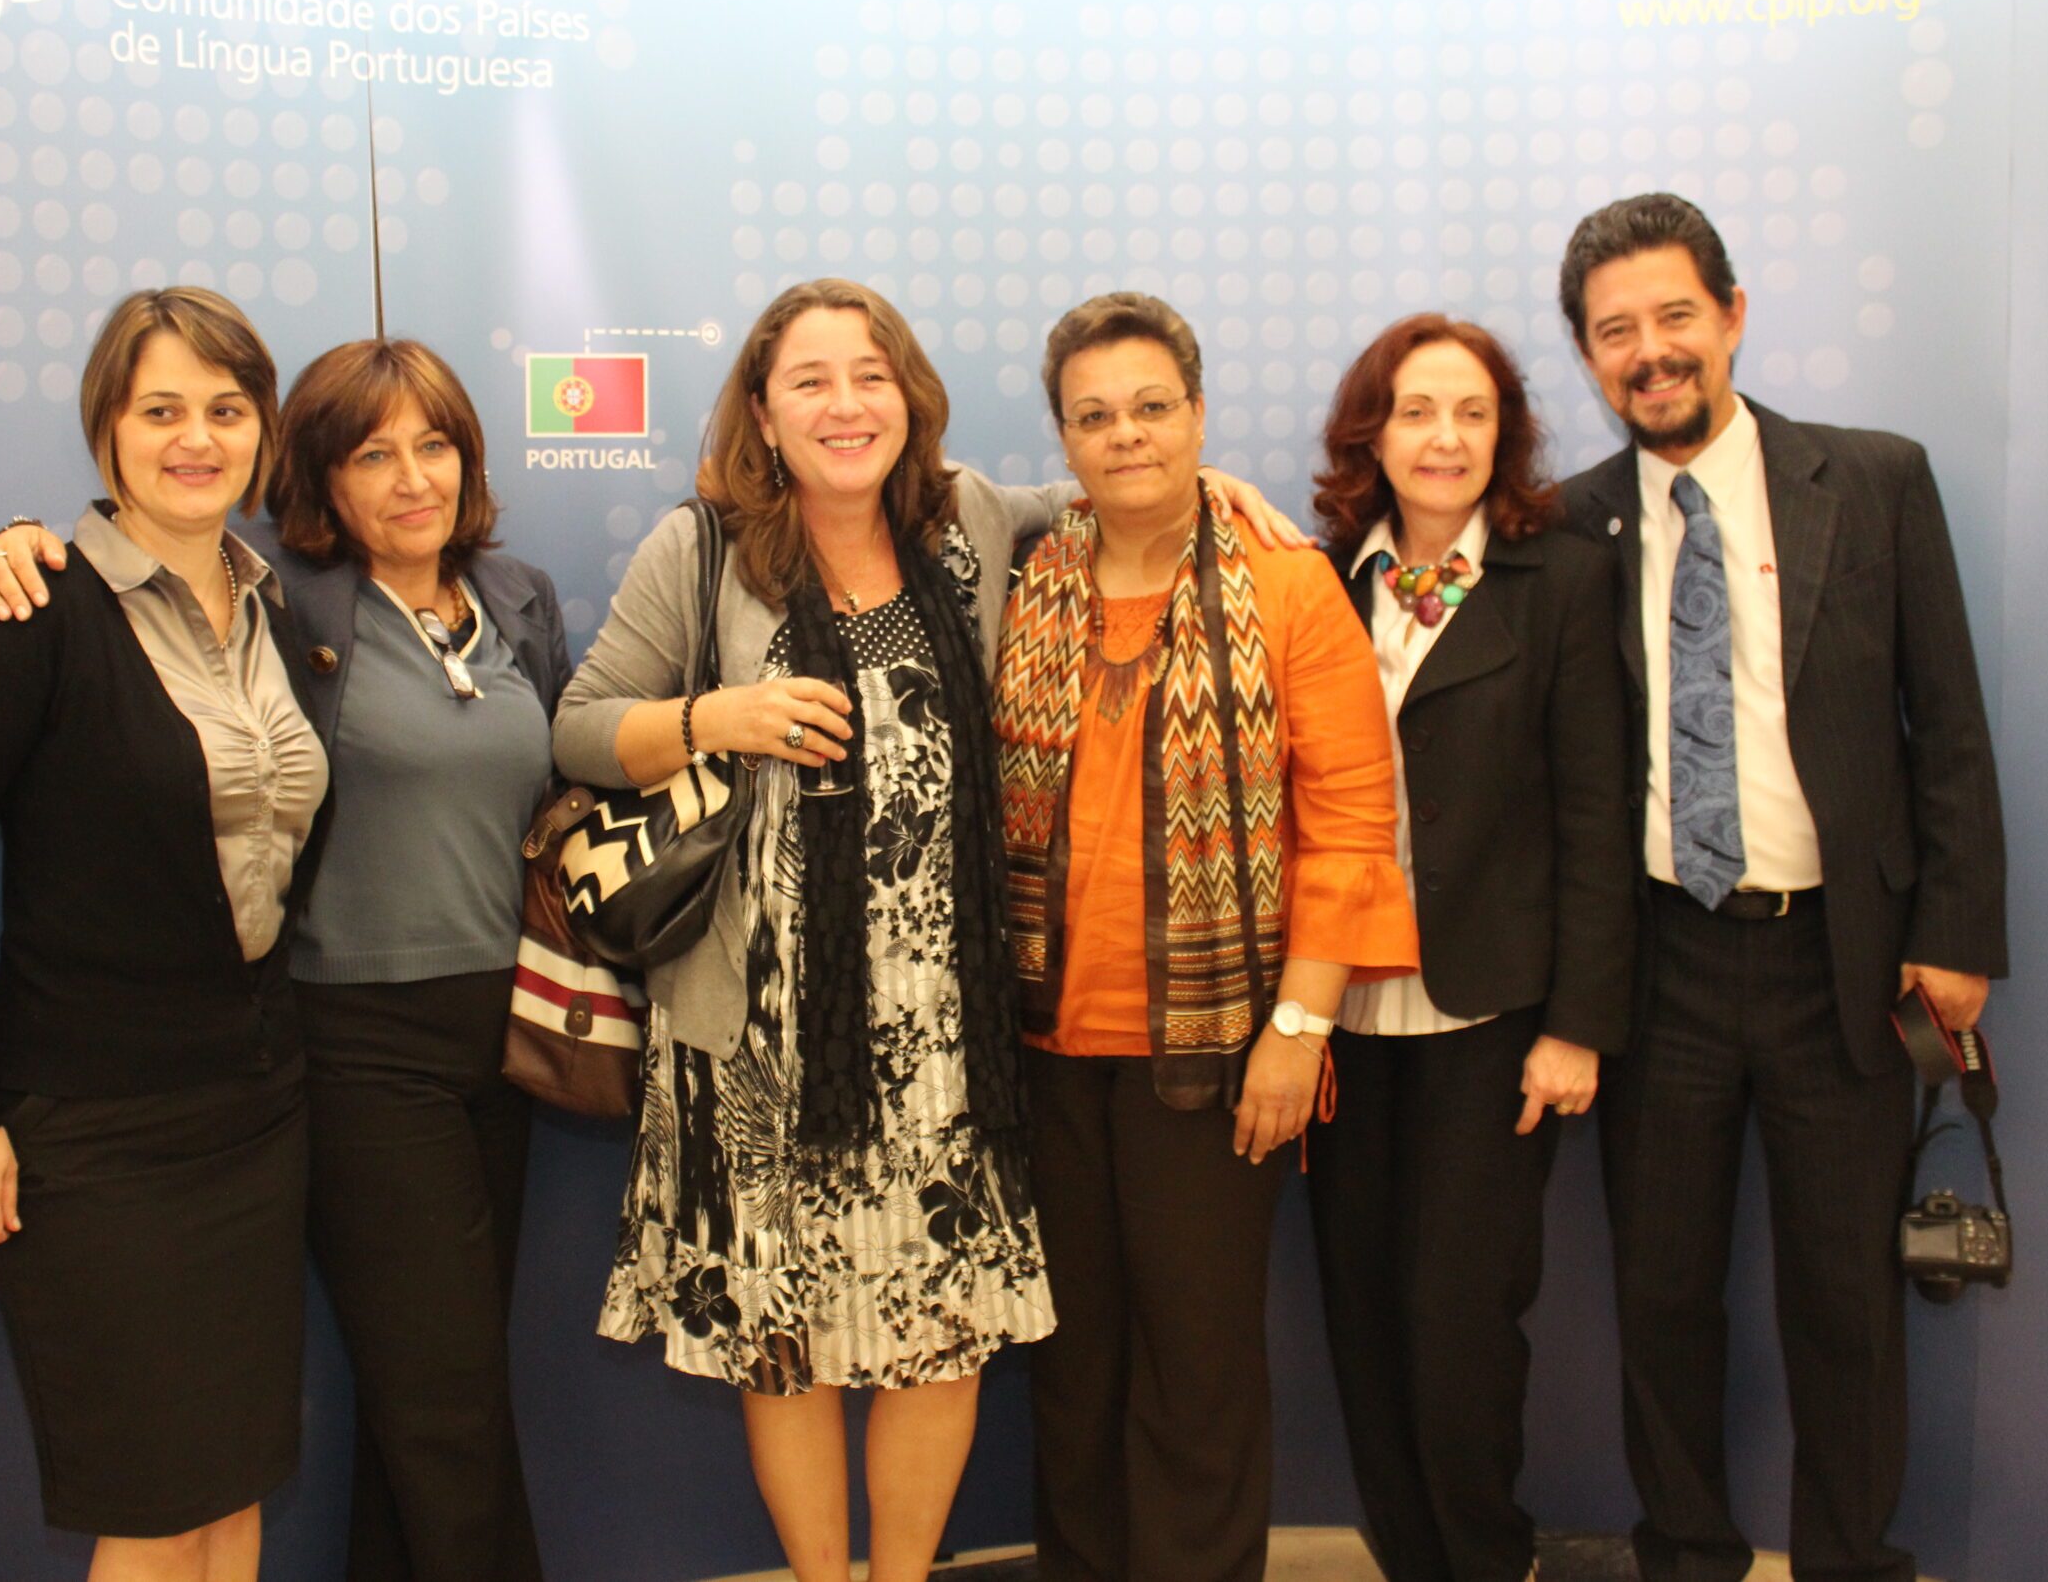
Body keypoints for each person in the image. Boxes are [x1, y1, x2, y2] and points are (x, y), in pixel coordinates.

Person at [552, 277, 1296, 1582]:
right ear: (762, 413)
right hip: (756, 1042)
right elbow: (577, 726)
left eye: (871, 375)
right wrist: (711, 718)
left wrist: (1211, 481)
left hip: (949, 1038)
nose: (845, 404)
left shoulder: (969, 527)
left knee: (940, 1335)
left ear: (909, 397)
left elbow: (1111, 489)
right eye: (810, 381)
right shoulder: (703, 548)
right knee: (780, 1345)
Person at [0, 339, 567, 1582]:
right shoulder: (283, 594)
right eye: (372, 455)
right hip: (352, 1039)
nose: (412, 478)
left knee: (428, 1387)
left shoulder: (516, 598)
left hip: (505, 1035)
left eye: (435, 445)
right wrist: (21, 540)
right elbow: (141, 570)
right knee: (444, 1397)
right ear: (319, 478)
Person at [1556, 193, 2007, 1582]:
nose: (1650, 351)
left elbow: (1948, 722)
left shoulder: (1871, 480)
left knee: (1847, 1299)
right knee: (1662, 1294)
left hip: (1844, 960)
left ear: (1733, 315)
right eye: (1615, 331)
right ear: (1588, 356)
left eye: (1674, 315)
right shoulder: (1569, 526)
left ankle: (1850, 1559)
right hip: (1660, 963)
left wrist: (1953, 934)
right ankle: (1685, 1554)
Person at [0, 287, 328, 1582]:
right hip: (92, 1130)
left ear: (262, 428)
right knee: (156, 1499)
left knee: (234, 1480)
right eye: (160, 410)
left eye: (226, 409)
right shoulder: (34, 608)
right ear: (107, 429)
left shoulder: (274, 610)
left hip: (253, 1113)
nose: (197, 438)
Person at [992, 292, 1421, 1582]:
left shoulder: (1287, 585)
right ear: (1064, 439)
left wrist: (1299, 1027)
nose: (1125, 435)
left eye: (1151, 408)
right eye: (1093, 416)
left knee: (1197, 1371)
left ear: (1196, 415)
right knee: (1070, 1366)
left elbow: (1351, 825)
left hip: (1216, 1051)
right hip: (1040, 1048)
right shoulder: (1026, 576)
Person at [1304, 313, 1635, 1582]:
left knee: (1459, 1322)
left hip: (1490, 1019)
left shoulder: (1564, 581)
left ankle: (1485, 1562)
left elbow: (1596, 815)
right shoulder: (1320, 582)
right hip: (1337, 1015)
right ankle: (1411, 1559)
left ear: (1506, 437)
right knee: (1362, 1315)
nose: (1443, 438)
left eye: (1471, 413)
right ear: (1370, 435)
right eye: (1415, 411)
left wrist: (1577, 1026)